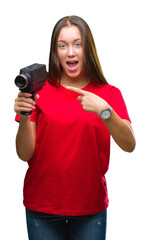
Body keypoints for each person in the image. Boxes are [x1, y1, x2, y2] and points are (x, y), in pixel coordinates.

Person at [14, 15, 136, 240]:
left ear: (87, 48)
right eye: (63, 46)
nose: (70, 52)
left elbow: (129, 145)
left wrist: (104, 111)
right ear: (55, 51)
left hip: (90, 208)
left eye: (77, 44)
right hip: (42, 207)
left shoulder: (109, 94)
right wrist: (24, 115)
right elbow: (24, 154)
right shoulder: (39, 90)